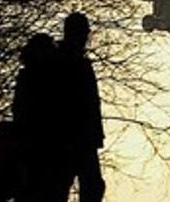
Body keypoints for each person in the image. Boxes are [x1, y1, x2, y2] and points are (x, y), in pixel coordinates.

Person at [54, 12, 105, 202]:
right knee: (88, 185)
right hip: (76, 138)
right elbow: (86, 104)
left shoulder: (63, 61)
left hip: (75, 138)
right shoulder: (73, 64)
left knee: (67, 185)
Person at [11, 33, 60, 202]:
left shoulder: (27, 77)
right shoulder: (48, 78)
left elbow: (18, 110)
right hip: (39, 145)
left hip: (33, 144)